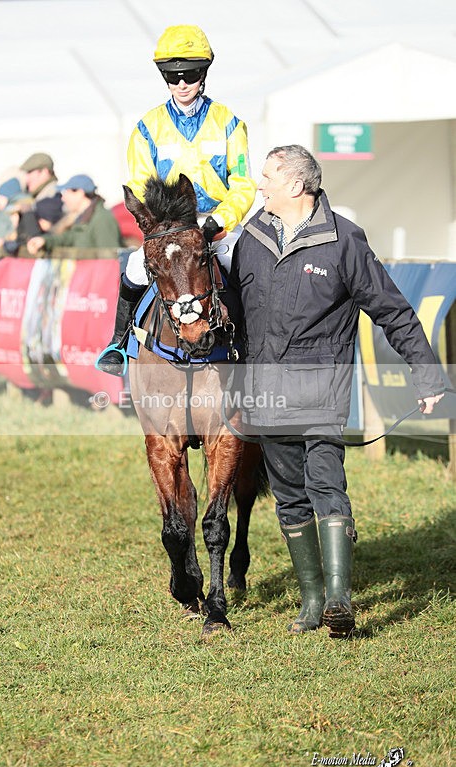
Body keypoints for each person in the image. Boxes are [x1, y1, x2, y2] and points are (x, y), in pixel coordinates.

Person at [230, 144, 445, 636]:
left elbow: (393, 310)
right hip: (265, 394)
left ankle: (339, 599)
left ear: (296, 185)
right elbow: (234, 315)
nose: (259, 185)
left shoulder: (344, 240)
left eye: (267, 176)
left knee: (326, 484)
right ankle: (311, 600)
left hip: (321, 393)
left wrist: (427, 373)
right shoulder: (250, 238)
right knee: (289, 497)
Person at [96, 24, 256, 374]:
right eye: (173, 76)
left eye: (191, 75)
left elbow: (243, 183)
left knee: (248, 270)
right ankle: (118, 343)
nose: (182, 83)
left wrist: (221, 220)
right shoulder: (147, 127)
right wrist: (157, 225)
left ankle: (257, 349)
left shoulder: (229, 122)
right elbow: (139, 184)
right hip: (169, 228)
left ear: (204, 74)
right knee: (135, 267)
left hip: (216, 224)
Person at [26, 174, 121, 254]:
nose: (63, 198)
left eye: (67, 192)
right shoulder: (83, 219)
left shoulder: (102, 219)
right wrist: (44, 241)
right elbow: (67, 238)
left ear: (80, 192)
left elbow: (110, 258)